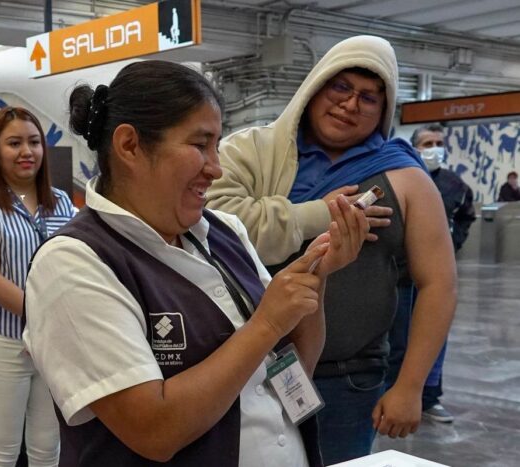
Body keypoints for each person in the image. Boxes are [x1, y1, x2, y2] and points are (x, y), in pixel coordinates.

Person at [24, 60, 369, 467]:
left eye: (216, 146)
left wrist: (315, 277)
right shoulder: (73, 262)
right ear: (130, 145)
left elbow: (293, 370)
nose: (216, 168)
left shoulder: (225, 231)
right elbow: (154, 431)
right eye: (200, 145)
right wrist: (267, 323)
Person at [205, 35, 457, 464]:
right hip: (246, 364)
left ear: (384, 110)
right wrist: (314, 213)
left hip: (348, 378)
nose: (350, 104)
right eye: (340, 87)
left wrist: (411, 386)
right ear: (315, 88)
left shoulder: (405, 177)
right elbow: (210, 225)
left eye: (369, 97)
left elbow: (439, 284)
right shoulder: (257, 153)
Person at [0, 107, 75, 466]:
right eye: (14, 143)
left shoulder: (61, 203)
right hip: (4, 341)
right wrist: (40, 318)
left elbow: (70, 269)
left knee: (47, 450)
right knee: (2, 452)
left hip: (52, 345)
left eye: (34, 142)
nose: (26, 151)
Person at [386, 124, 477, 424]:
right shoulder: (399, 177)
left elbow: (466, 216)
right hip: (400, 276)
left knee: (434, 339)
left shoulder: (455, 185)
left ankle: (429, 396)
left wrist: (453, 242)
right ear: (415, 147)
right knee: (397, 339)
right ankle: (391, 393)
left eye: (439, 142)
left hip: (434, 275)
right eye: (428, 143)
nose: (435, 148)